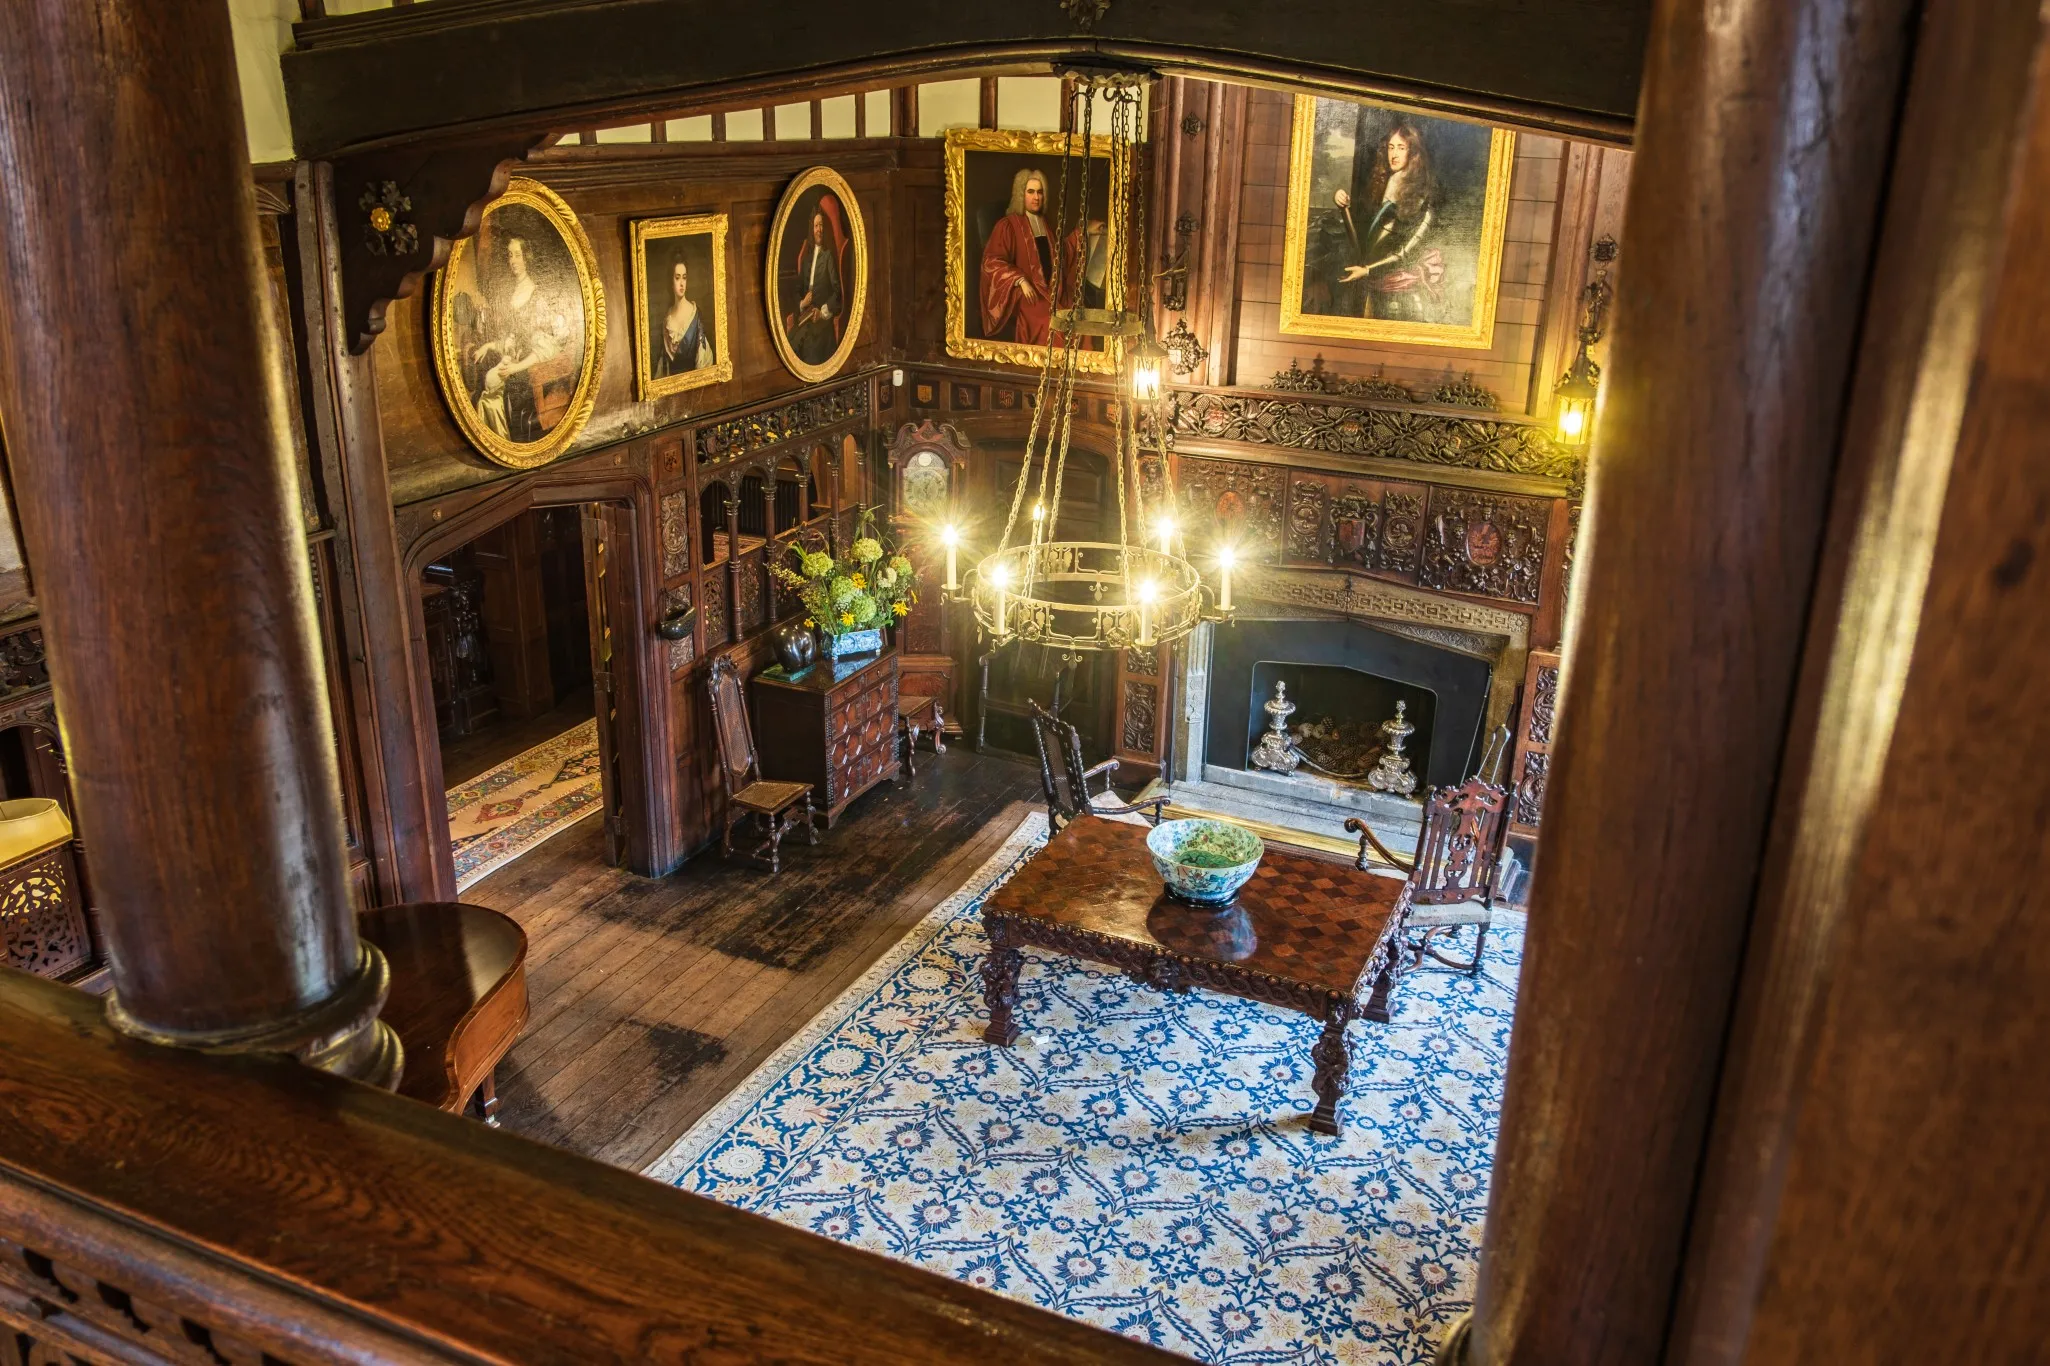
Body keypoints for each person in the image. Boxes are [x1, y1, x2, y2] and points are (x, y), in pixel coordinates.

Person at [1330, 121, 1444, 324]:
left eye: (1401, 148)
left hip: (1401, 287)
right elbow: (1366, 231)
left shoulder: (1425, 194)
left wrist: (1368, 270)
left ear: (1414, 152)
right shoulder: (1385, 182)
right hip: (1371, 278)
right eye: (1391, 148)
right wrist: (1343, 203)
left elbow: (1407, 251)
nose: (1394, 154)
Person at [467, 233, 568, 443]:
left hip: (529, 369)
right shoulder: (513, 291)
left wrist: (515, 367)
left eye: (518, 255)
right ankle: (495, 440)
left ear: (527, 258)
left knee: (489, 390)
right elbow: (513, 339)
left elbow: (545, 346)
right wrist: (488, 345)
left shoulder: (536, 294)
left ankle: (502, 440)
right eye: (510, 255)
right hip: (515, 360)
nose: (513, 260)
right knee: (485, 386)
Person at [977, 167, 1087, 344]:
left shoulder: (1044, 223)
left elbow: (1060, 255)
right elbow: (991, 261)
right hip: (1025, 294)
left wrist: (1081, 234)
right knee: (1050, 324)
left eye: (1040, 192)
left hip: (1050, 292)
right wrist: (1020, 280)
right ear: (1021, 194)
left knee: (1078, 322)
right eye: (1031, 192)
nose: (1036, 197)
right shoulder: (1007, 225)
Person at [784, 202, 842, 366]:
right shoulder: (807, 259)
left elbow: (837, 292)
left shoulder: (828, 256)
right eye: (816, 226)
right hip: (804, 319)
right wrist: (802, 303)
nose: (819, 229)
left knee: (810, 351)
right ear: (812, 229)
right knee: (790, 347)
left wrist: (822, 312)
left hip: (821, 324)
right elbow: (796, 290)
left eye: (821, 225)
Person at [653, 255, 715, 377]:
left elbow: (703, 361)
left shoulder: (695, 314)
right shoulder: (667, 320)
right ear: (671, 282)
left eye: (684, 278)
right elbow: (664, 367)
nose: (682, 283)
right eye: (677, 278)